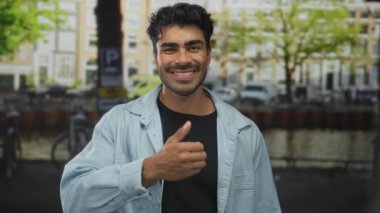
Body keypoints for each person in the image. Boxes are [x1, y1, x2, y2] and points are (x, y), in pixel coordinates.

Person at [60, 3, 281, 213]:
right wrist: (149, 169)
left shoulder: (246, 133)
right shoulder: (119, 123)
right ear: (156, 58)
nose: (183, 59)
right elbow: (73, 199)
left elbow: (266, 208)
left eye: (193, 47)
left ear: (208, 54)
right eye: (170, 49)